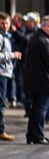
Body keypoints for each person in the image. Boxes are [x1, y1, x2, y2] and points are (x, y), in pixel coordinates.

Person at [23, 15, 49, 145]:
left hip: (37, 80)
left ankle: (32, 135)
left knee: (35, 109)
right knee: (40, 109)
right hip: (43, 81)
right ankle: (37, 135)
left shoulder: (37, 38)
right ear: (43, 26)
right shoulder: (42, 40)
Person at [0, 12, 22, 141]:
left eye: (7, 23)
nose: (5, 25)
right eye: (2, 23)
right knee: (1, 103)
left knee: (2, 102)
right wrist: (12, 55)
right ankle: (1, 131)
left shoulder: (7, 36)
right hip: (1, 73)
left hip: (6, 73)